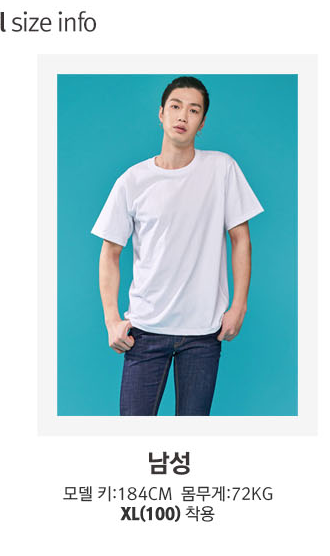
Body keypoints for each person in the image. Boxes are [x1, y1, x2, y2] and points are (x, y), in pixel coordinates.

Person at [93, 78, 261, 418]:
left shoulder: (222, 169)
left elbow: (240, 238)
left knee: (192, 431)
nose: (183, 115)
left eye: (193, 110)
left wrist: (239, 307)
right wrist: (112, 319)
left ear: (202, 122)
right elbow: (110, 252)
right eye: (175, 106)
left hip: (203, 332)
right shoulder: (133, 181)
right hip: (145, 330)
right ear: (161, 113)